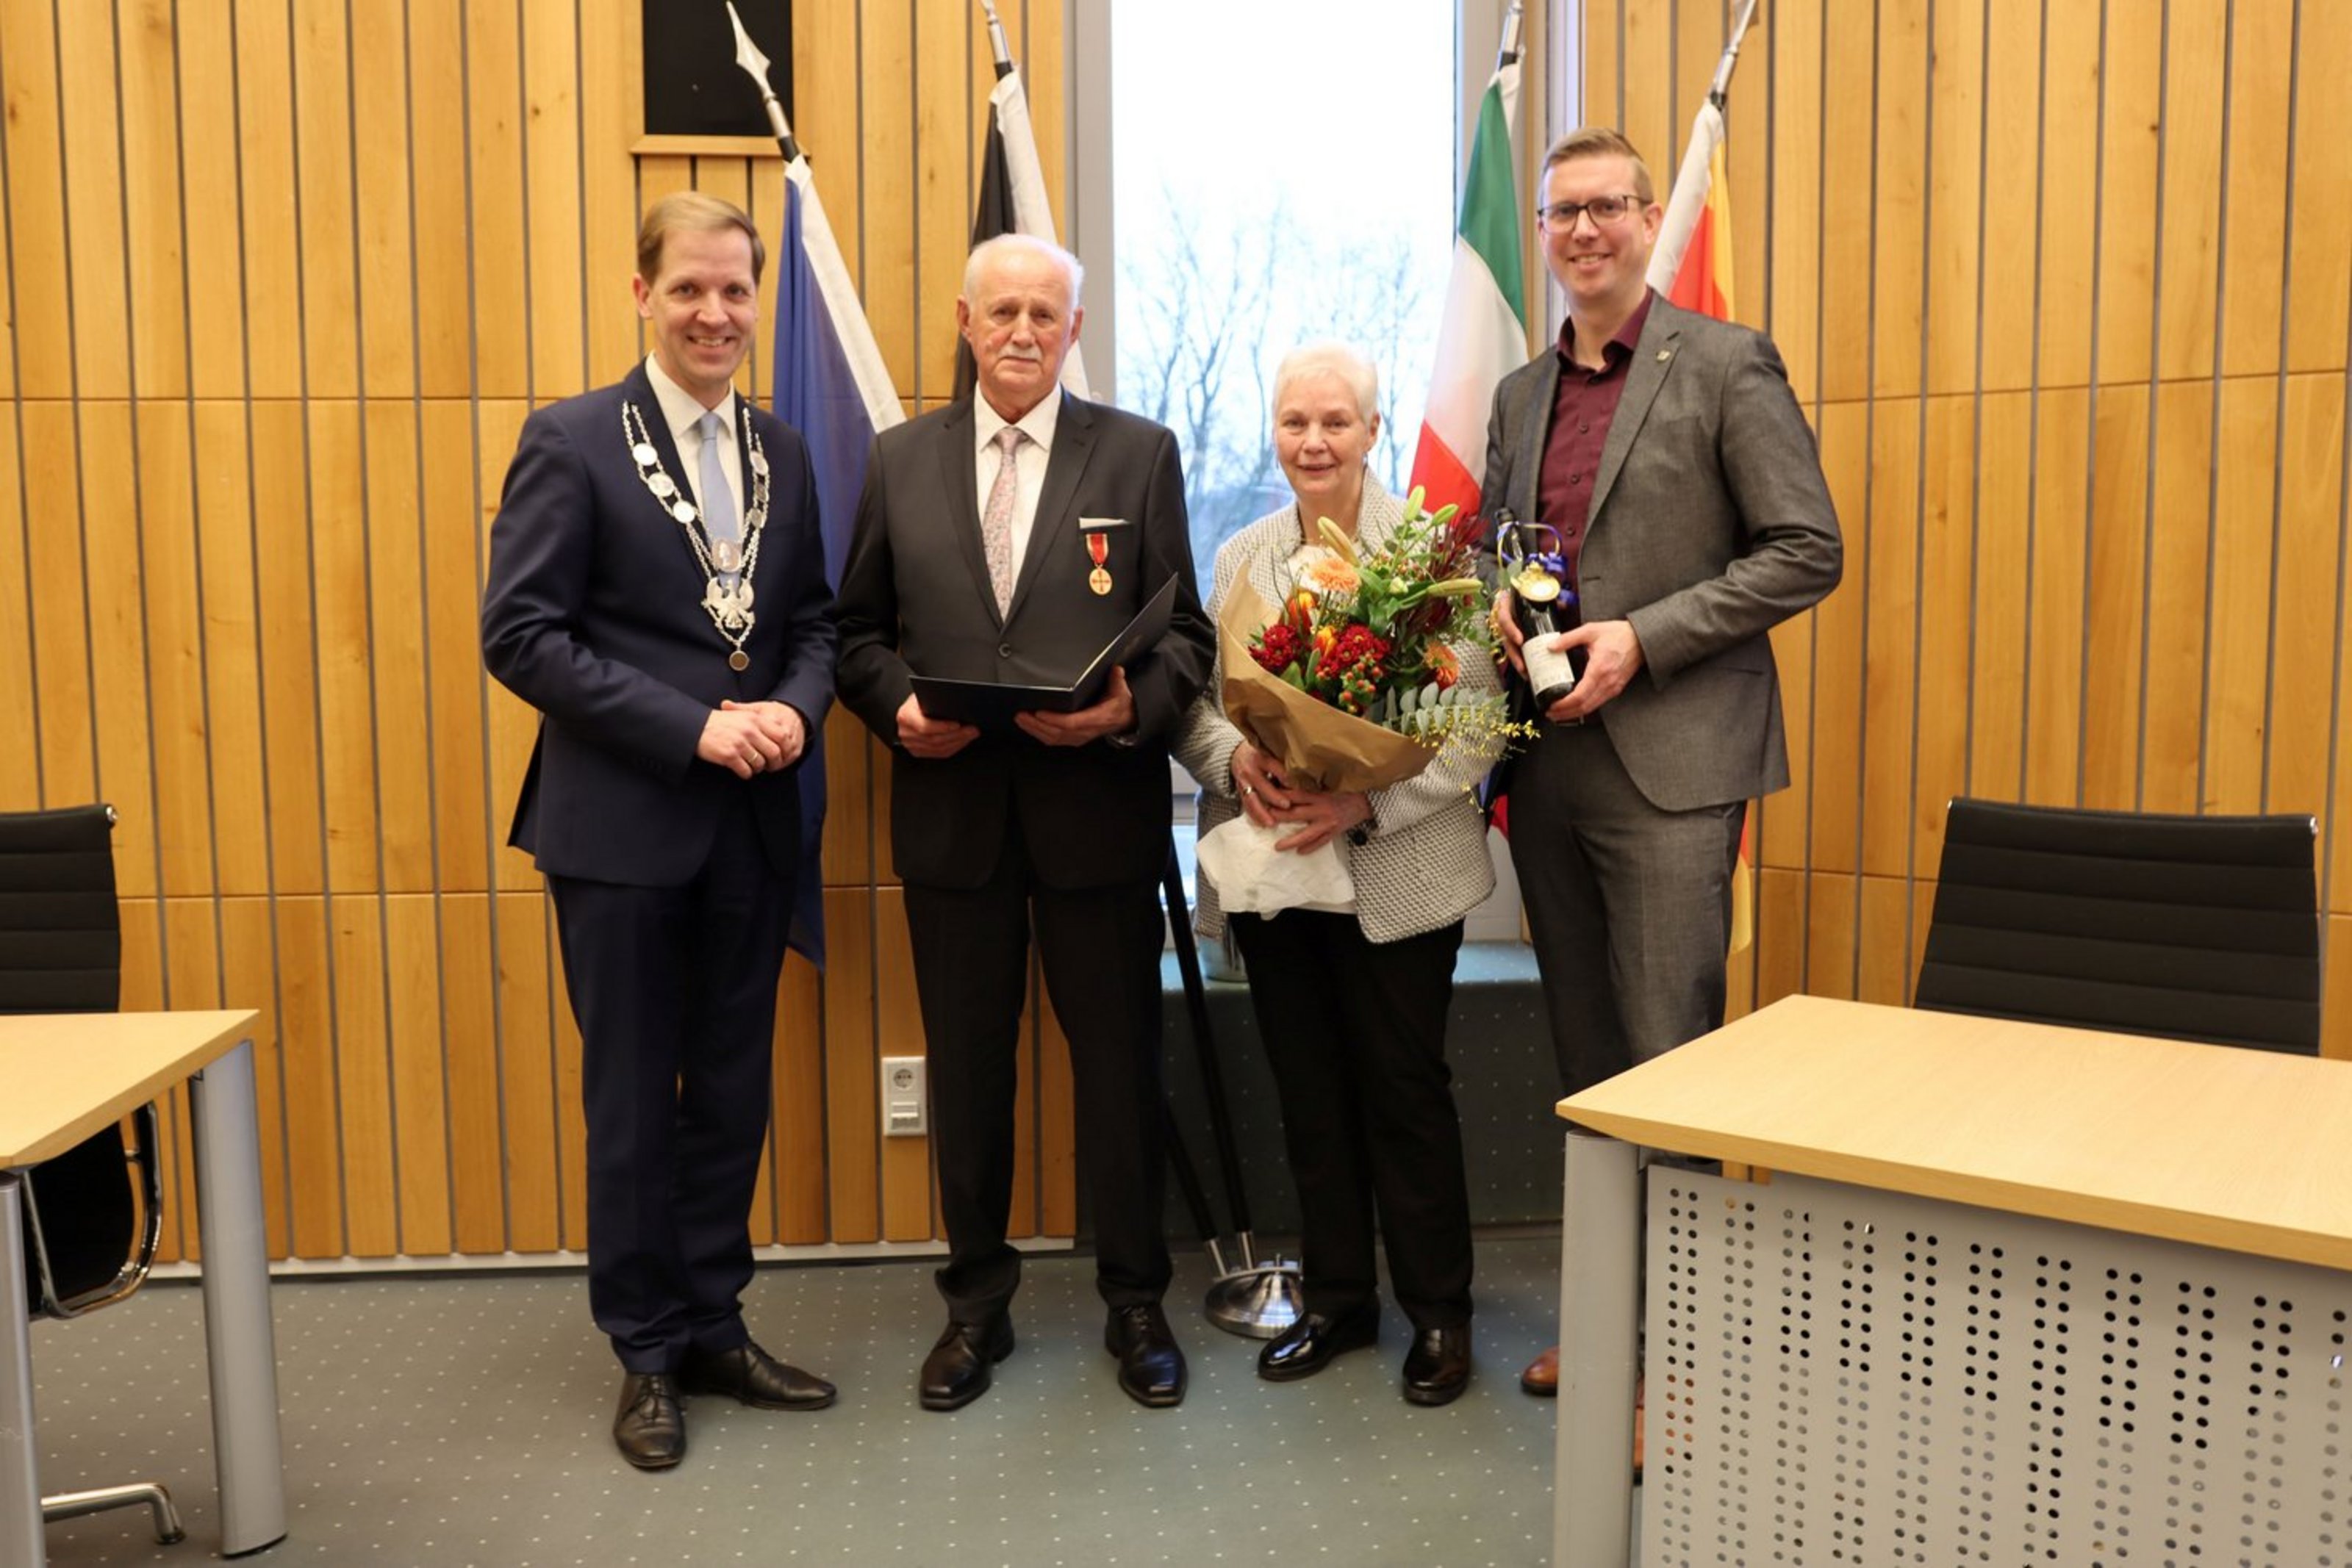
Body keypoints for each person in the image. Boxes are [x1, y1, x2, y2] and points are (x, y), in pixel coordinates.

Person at [481, 193, 839, 1470]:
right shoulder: (570, 440)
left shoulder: (785, 453)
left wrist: (795, 710)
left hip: (750, 830)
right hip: (620, 830)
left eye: (737, 291)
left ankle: (713, 1324)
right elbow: (520, 634)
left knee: (730, 1095)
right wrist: (694, 726)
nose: (716, 313)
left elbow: (810, 623)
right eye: (690, 288)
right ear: (643, 293)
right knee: (634, 1102)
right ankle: (643, 1350)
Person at [1483, 129, 1842, 1396]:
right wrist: (1490, 605)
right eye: (1561, 212)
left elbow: (1807, 545)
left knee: (1671, 1062)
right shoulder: (1521, 394)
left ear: (1648, 220)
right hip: (1549, 768)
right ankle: (1613, 1331)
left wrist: (1646, 635)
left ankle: (1680, 1371)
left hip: (1674, 769)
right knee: (1591, 1073)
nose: (1583, 231)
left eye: (1605, 208)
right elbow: (1499, 551)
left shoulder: (1727, 364)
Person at [832, 234, 1215, 1411]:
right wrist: (897, 706)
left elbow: (1189, 640)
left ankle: (1137, 1302)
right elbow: (852, 636)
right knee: (973, 1074)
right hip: (955, 824)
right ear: (963, 317)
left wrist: (1121, 712)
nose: (1021, 332)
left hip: (1098, 817)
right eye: (1001, 310)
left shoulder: (1140, 454)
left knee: (1118, 1070)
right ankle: (975, 1308)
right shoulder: (898, 461)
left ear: (1074, 328)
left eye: (1045, 314)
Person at [1171, 342, 1499, 1406]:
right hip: (1281, 874)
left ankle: (1441, 1314)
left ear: (1372, 429)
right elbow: (1205, 705)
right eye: (1295, 422)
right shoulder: (1241, 559)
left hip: (1398, 869)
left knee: (1403, 1093)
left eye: (1335, 422)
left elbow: (1476, 729)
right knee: (1309, 1094)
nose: (1313, 440)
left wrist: (1365, 797)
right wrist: (1241, 762)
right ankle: (1339, 1303)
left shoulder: (1431, 553)